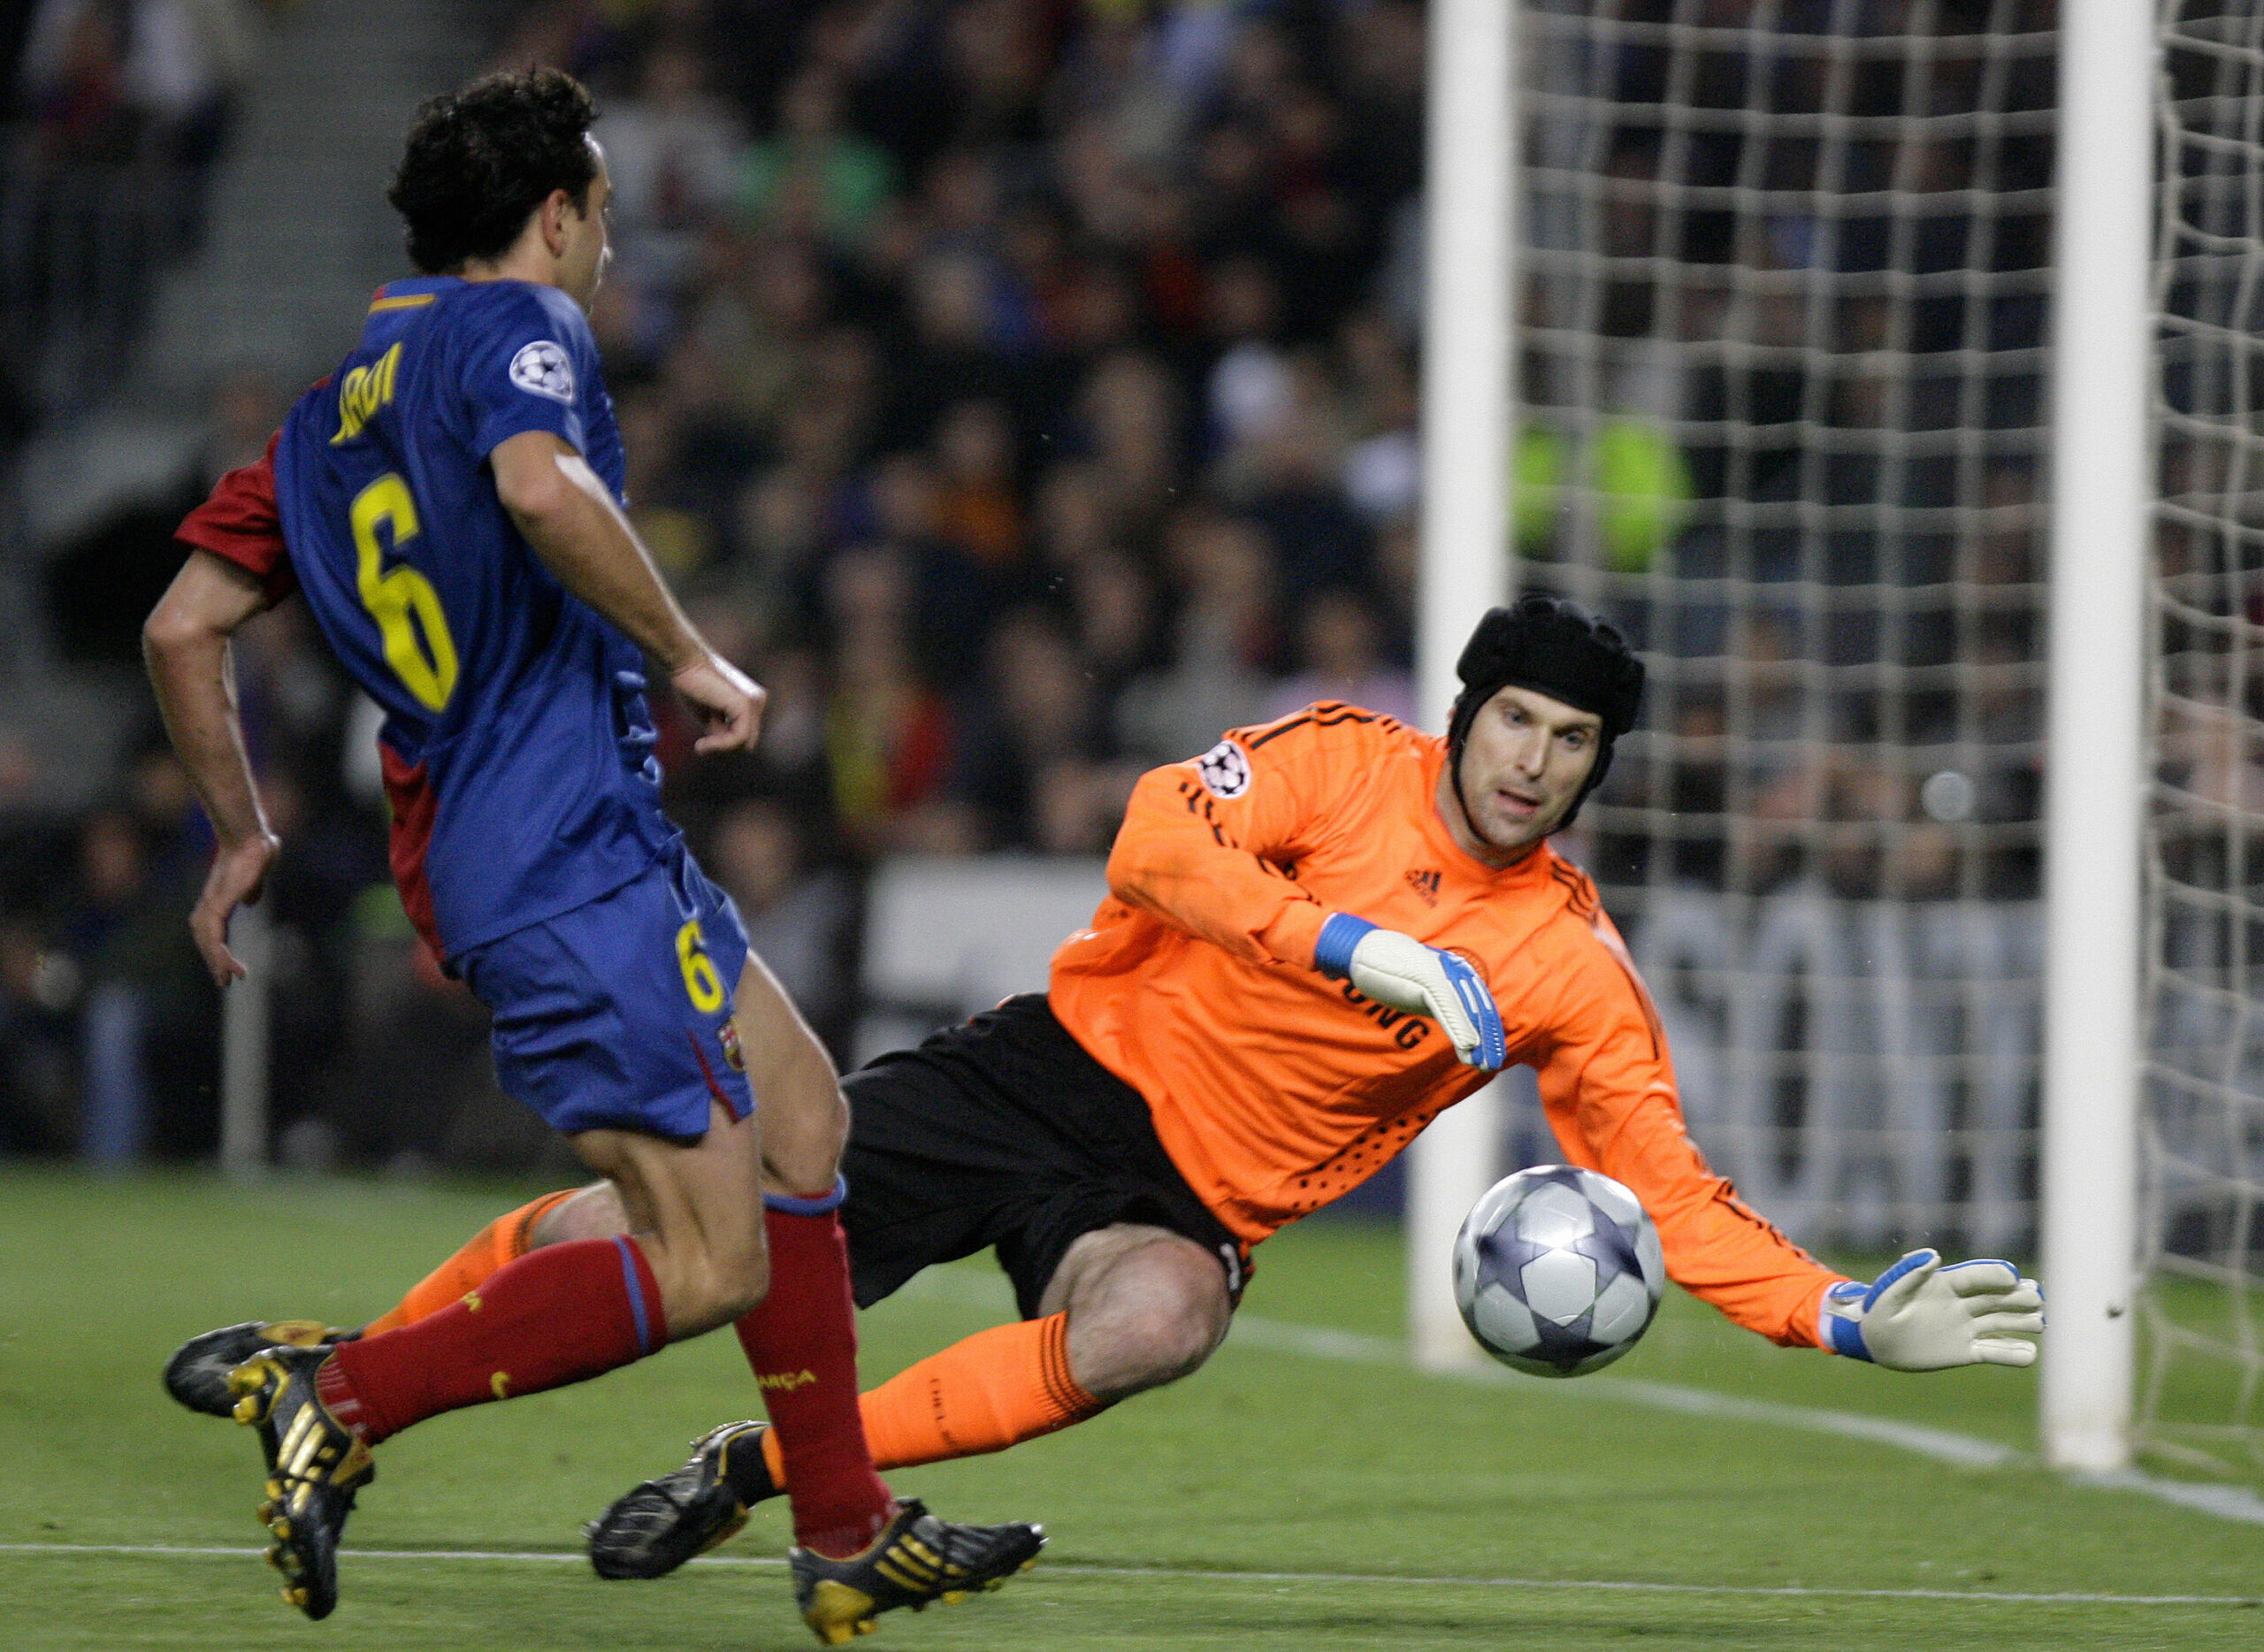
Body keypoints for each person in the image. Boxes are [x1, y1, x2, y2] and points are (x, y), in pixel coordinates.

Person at [166, 594, 2045, 1583]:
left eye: (1574, 746)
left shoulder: (1568, 959)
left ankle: (764, 1468)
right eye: (1520, 724)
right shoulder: (1335, 761)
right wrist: (1344, 948)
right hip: (1047, 1071)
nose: (1538, 765)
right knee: (680, 1233)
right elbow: (1148, 835)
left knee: (1156, 1321)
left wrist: (1838, 1314)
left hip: (1185, 1200)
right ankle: (347, 1378)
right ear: (1463, 715)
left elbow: (1667, 1183)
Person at [142, 68, 1039, 1645]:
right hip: (556, 852)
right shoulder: (514, 332)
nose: (609, 242)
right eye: (604, 211)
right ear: (554, 216)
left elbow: (180, 625)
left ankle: (843, 1531)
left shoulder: (319, 421)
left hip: (563, 838)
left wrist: (240, 832)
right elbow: (541, 488)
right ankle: (338, 1394)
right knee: (709, 1261)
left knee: (810, 1125)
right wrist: (692, 653)